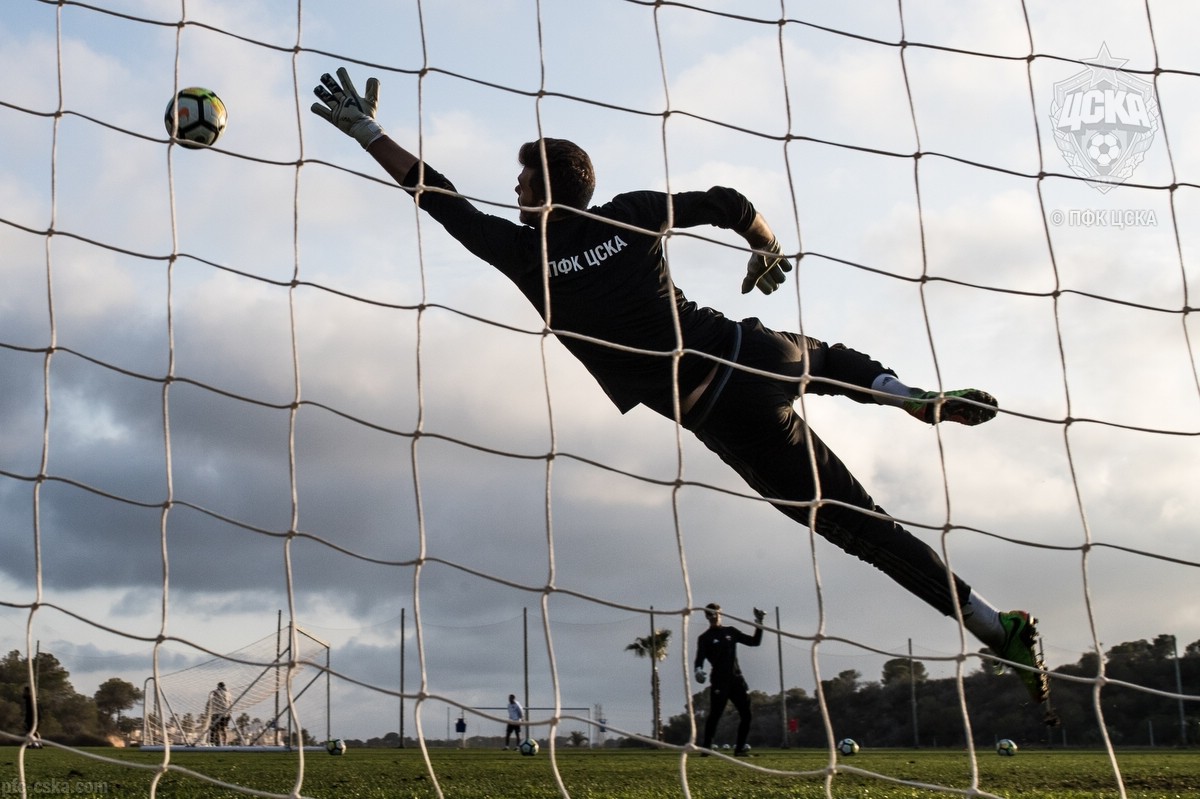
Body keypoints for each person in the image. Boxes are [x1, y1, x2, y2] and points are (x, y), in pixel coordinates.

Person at [310, 68, 1051, 716]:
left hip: (719, 416)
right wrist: (766, 246)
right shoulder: (628, 214)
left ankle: (994, 628)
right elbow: (727, 200)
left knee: (865, 531)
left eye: (522, 178)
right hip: (747, 352)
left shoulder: (523, 254)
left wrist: (367, 131)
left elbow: (438, 197)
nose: (513, 187)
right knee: (822, 356)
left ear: (543, 190)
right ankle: (904, 392)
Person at [694, 604, 764, 755]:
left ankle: (739, 750)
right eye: (711, 614)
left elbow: (754, 642)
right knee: (715, 715)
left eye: (717, 613)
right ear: (707, 616)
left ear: (721, 614)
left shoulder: (730, 632)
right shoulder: (705, 638)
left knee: (746, 714)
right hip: (719, 681)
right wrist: (698, 670)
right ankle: (706, 749)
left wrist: (759, 623)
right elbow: (699, 659)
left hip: (736, 680)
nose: (715, 616)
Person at [206, 681, 233, 746]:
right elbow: (230, 703)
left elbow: (214, 695)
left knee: (215, 729)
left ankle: (216, 743)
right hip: (226, 713)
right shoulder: (229, 694)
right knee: (223, 729)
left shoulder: (217, 692)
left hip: (218, 713)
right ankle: (224, 743)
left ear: (219, 686)